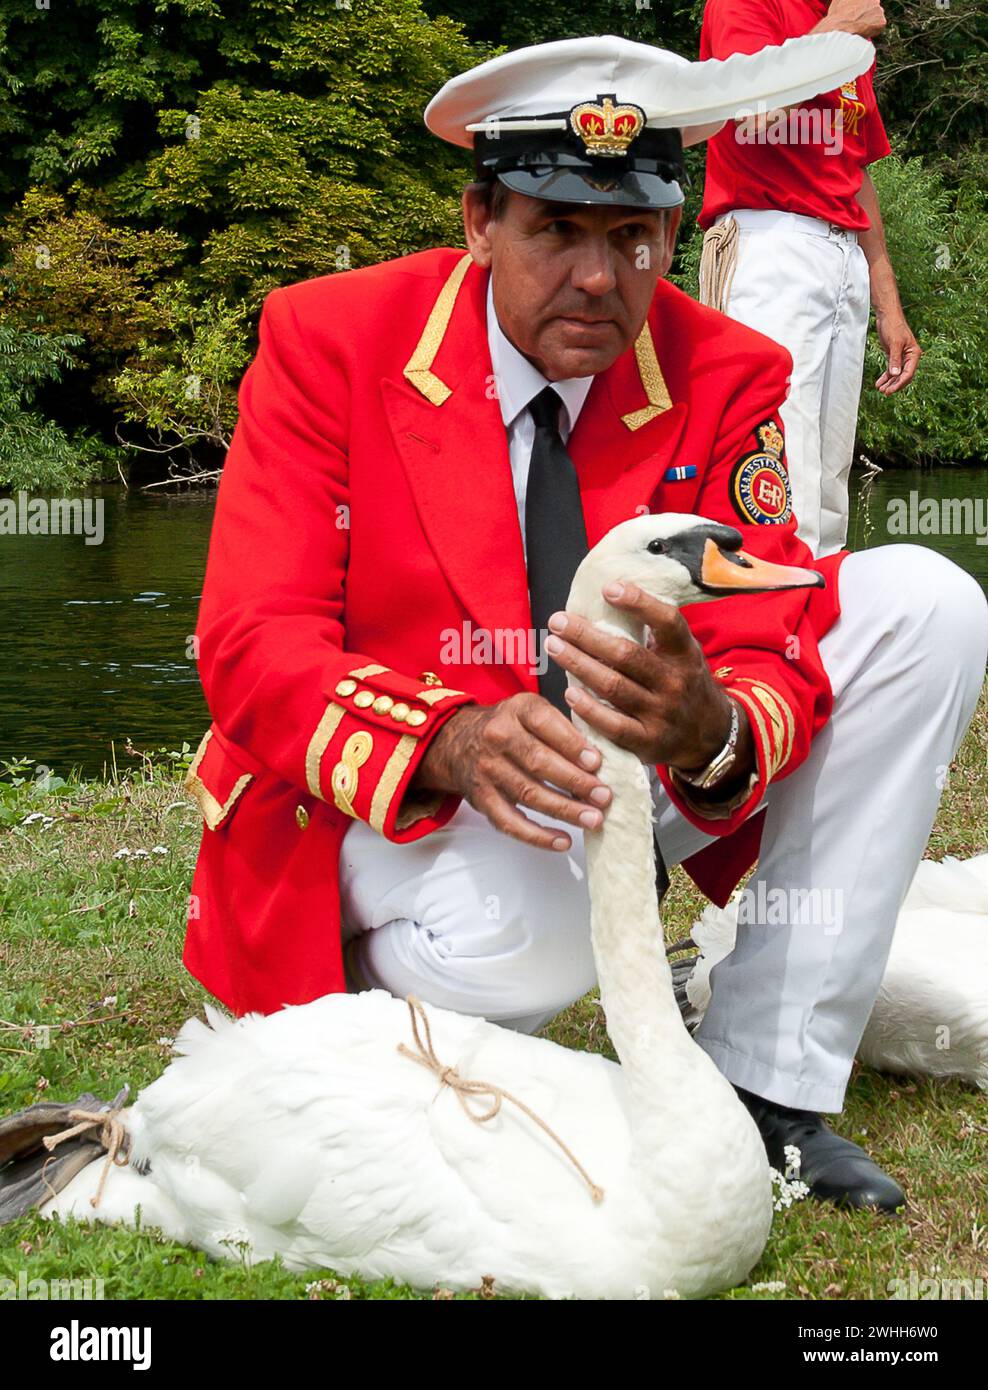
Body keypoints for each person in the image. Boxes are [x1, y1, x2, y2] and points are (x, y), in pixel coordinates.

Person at [183, 35, 987, 1212]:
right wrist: (449, 735)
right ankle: (348, 1006)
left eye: (634, 236)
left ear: (673, 233)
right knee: (535, 928)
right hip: (400, 793)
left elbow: (768, 625)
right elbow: (252, 641)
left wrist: (713, 726)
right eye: (556, 228)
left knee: (927, 600)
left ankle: (766, 1080)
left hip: (607, 783)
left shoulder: (727, 371)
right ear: (479, 221)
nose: (601, 279)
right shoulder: (330, 340)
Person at [698, 0, 921, 557]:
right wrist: (841, 29)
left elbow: (856, 167)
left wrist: (889, 306)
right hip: (769, 239)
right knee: (771, 454)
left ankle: (818, 628)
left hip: (842, 249)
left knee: (827, 484)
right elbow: (751, 114)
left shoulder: (844, 26)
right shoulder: (749, 5)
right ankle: (758, 630)